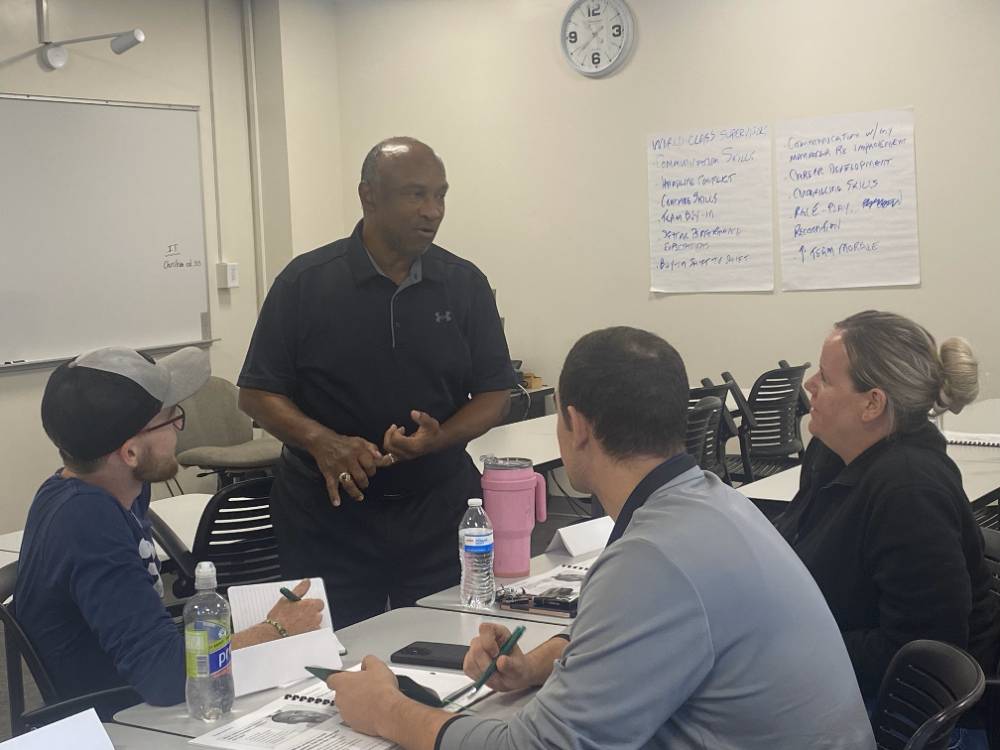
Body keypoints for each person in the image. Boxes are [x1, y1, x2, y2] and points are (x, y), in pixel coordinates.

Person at [327, 327, 875, 750]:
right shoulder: (711, 501)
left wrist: (388, 712)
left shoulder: (655, 558)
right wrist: (541, 665)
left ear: (576, 425)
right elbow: (660, 632)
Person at [238, 137, 514, 628]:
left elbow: (496, 393)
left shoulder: (463, 283)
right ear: (368, 196)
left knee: (447, 646)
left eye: (440, 195)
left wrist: (440, 438)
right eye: (415, 195)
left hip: (438, 511)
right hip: (327, 517)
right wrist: (322, 441)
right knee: (331, 666)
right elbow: (257, 393)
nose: (432, 211)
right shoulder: (305, 284)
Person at [16, 347, 325, 708]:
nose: (180, 428)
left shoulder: (108, 489)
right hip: (125, 718)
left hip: (144, 693)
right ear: (130, 453)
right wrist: (275, 632)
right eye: (171, 418)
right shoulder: (87, 522)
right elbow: (165, 676)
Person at [773, 311, 1000, 745]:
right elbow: (795, 536)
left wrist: (789, 642)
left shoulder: (909, 491)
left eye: (825, 377)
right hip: (835, 673)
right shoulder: (831, 452)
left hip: (907, 712)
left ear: (872, 403)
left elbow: (920, 650)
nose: (810, 386)